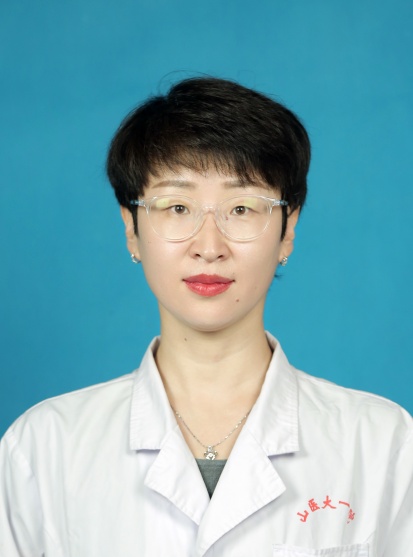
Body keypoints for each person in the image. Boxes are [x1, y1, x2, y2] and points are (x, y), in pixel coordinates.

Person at [0, 77, 412, 557]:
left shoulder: (383, 444)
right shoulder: (44, 448)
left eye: (242, 208)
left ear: (288, 230)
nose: (210, 246)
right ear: (131, 228)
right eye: (177, 206)